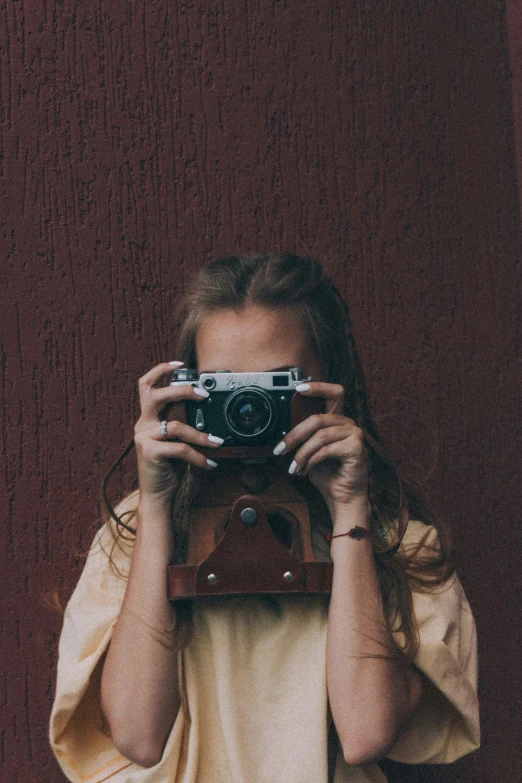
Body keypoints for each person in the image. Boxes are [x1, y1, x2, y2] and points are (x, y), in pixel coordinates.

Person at [49, 253, 480, 783]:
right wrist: (158, 508)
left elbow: (366, 733)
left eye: (276, 387)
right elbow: (138, 735)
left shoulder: (399, 545)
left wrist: (350, 510)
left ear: (332, 384)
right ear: (186, 390)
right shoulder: (134, 535)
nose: (248, 411)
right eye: (224, 390)